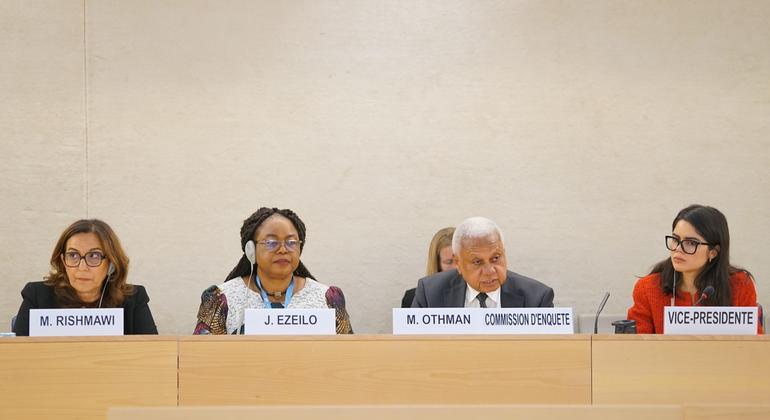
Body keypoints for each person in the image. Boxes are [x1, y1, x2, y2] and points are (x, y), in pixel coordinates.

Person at [194, 207, 353, 334]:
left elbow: (350, 357)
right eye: (271, 242)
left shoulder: (327, 299)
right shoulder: (222, 299)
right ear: (251, 249)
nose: (283, 249)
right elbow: (200, 360)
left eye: (291, 242)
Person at [627, 204, 762, 334]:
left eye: (691, 243)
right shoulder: (648, 288)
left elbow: (754, 348)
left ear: (713, 252)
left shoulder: (740, 285)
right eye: (675, 239)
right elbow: (637, 349)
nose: (678, 249)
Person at [13, 219, 158, 336]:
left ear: (111, 264)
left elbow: (154, 358)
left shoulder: (133, 299)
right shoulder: (38, 296)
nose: (82, 267)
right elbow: (14, 358)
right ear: (63, 261)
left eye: (94, 256)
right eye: (73, 255)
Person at [412, 217, 554, 308]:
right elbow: (414, 349)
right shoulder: (430, 293)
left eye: (495, 258)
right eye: (477, 262)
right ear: (458, 263)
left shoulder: (537, 298)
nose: (490, 271)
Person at [401, 227, 456, 307]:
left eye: (460, 260)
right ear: (437, 264)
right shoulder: (412, 298)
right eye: (449, 262)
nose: (456, 267)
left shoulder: (479, 297)